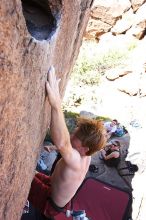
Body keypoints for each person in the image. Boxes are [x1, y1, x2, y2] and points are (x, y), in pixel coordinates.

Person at [28, 66, 107, 219]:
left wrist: (56, 105)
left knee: (22, 181)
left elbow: (63, 144)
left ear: (85, 148)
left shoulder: (77, 161)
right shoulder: (86, 155)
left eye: (75, 136)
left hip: (49, 202)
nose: (70, 136)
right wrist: (54, 148)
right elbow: (67, 147)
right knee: (30, 172)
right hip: (53, 187)